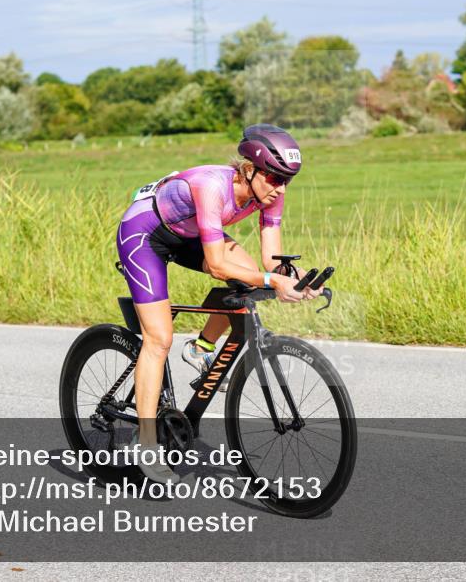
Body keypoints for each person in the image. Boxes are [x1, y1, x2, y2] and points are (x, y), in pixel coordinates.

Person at [115, 123, 322, 483]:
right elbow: (216, 264)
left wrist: (294, 276)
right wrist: (273, 282)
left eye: (287, 180)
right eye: (274, 178)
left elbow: (272, 259)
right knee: (159, 338)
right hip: (145, 234)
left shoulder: (272, 191)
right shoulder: (211, 186)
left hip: (188, 233)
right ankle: (145, 442)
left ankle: (202, 347)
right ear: (249, 169)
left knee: (247, 276)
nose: (281, 187)